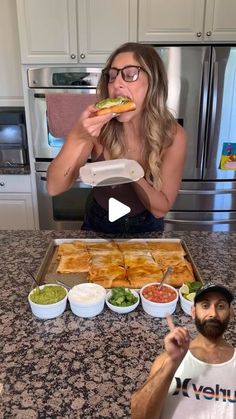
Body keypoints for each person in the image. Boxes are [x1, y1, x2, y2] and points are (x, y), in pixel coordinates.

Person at [47, 42, 187, 234]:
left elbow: (161, 208)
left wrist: (129, 171)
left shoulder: (173, 134)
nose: (117, 84)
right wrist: (77, 136)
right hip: (98, 222)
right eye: (112, 76)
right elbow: (54, 187)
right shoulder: (98, 126)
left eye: (130, 74)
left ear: (153, 82)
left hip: (146, 226)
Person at [131, 283, 235, 419]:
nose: (213, 313)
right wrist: (172, 363)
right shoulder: (167, 360)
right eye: (205, 305)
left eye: (220, 306)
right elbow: (139, 416)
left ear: (231, 313)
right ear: (193, 312)